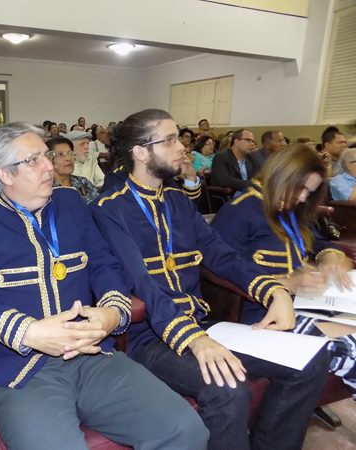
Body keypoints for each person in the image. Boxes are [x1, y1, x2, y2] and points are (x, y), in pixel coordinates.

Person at [0, 122, 208, 450]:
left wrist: (113, 313)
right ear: (5, 175)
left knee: (185, 429)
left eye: (47, 156)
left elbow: (104, 265)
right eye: (33, 160)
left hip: (92, 353)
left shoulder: (69, 203)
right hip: (21, 368)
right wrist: (29, 332)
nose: (49, 166)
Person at [91, 109, 329, 450]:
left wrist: (275, 291)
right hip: (148, 337)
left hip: (201, 323)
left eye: (178, 138)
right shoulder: (109, 208)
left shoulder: (177, 201)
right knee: (228, 386)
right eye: (169, 140)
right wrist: (194, 340)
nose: (181, 147)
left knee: (310, 360)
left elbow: (223, 256)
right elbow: (141, 284)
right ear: (140, 152)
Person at [212, 143, 356, 397]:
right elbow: (217, 270)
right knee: (351, 348)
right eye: (301, 189)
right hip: (261, 314)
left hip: (304, 305)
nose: (303, 198)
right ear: (282, 175)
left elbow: (318, 243)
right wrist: (286, 283)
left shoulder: (287, 209)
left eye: (309, 192)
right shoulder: (240, 211)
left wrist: (330, 257)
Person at [46, 137, 99, 204]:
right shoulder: (46, 189)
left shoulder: (83, 182)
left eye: (70, 153)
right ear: (49, 159)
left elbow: (99, 206)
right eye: (60, 154)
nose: (68, 158)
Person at [210, 129, 258, 195]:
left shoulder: (251, 158)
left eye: (253, 141)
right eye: (248, 140)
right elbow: (223, 180)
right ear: (236, 141)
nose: (252, 144)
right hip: (230, 196)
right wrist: (250, 184)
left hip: (250, 194)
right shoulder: (221, 157)